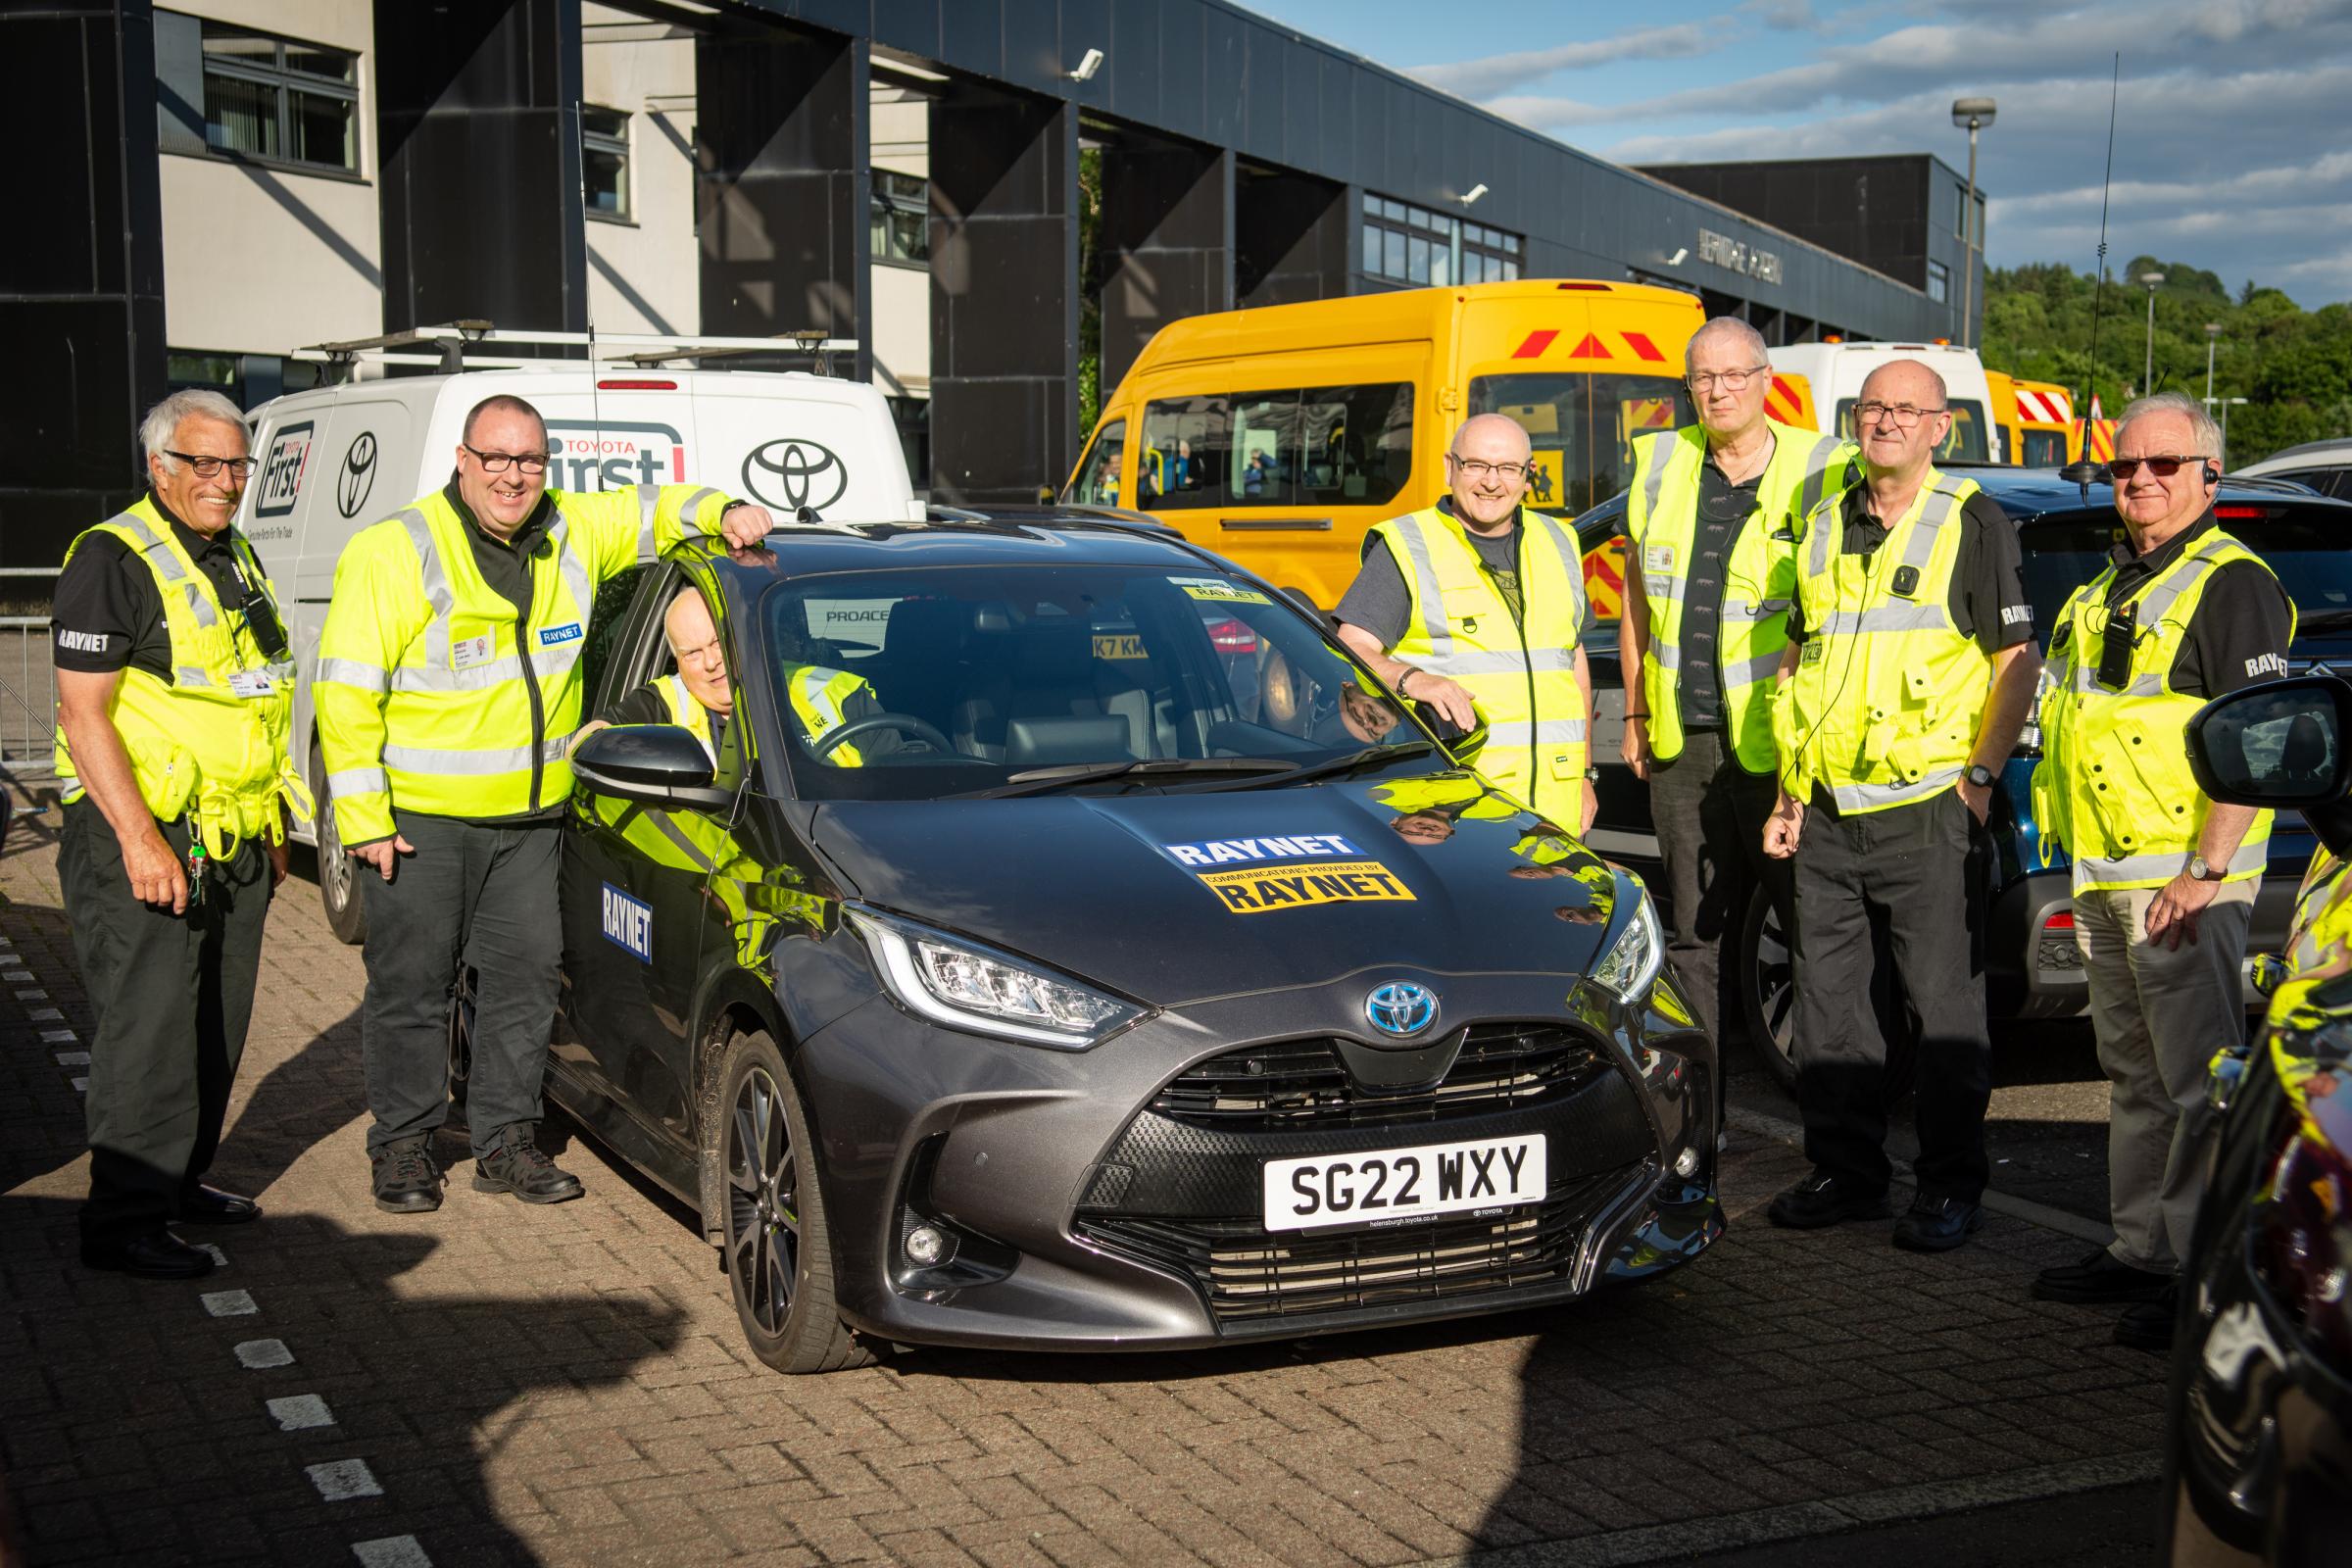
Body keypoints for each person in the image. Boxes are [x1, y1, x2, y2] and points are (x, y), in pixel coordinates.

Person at [315, 395, 770, 1216]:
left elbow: (661, 509)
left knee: (524, 985)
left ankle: (504, 1144)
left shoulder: (574, 529)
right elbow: (344, 695)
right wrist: (364, 821)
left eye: (529, 460)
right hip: (422, 822)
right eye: (497, 459)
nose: (514, 476)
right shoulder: (394, 549)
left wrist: (724, 509)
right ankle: (405, 1147)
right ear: (463, 461)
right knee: (413, 987)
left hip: (531, 825)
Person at [2027, 391, 2293, 1348]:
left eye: (2163, 465)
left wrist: (2205, 870)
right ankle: (2141, 1248)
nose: (2138, 480)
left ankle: (2206, 1271)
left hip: (2182, 883)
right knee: (2132, 1076)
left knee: (2197, 1086)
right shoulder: (2111, 586)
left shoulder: (2230, 583)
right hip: (2103, 875)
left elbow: (2259, 742)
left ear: (2208, 476)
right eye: (2124, 466)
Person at [1761, 360, 2041, 1251]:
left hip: (1927, 810)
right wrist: (1788, 793)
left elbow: (2015, 664)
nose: (1885, 421)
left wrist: (1980, 782)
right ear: (1855, 420)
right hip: (1826, 816)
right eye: (1873, 407)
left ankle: (1952, 1187)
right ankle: (1848, 1173)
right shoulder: (1818, 523)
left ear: (1939, 428)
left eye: (1905, 410)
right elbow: (1796, 666)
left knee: (1943, 1014)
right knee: (1831, 1010)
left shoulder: (1971, 520)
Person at [50, 390, 312, 1278]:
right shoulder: (112, 558)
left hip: (231, 836)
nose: (226, 481)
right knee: (150, 1028)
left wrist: (273, 825)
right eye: (205, 463)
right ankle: (123, 1221)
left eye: (237, 465)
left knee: (216, 1025)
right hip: (150, 832)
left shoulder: (234, 555)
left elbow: (256, 696)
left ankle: (179, 1182)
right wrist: (138, 839)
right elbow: (85, 719)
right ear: (159, 465)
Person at [1622, 317, 1853, 1046]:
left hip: (1784, 748)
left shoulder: (1824, 467)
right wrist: (1632, 711)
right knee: (1694, 941)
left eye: (1733, 376)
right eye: (1703, 378)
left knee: (1815, 933)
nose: (1718, 391)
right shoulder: (1661, 463)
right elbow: (1636, 596)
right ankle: (1706, 1124)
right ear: (1688, 388)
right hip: (1682, 744)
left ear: (1766, 383)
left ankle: (1833, 1122)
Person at [1336, 413, 1596, 832]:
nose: (1492, 482)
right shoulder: (1408, 546)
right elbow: (1349, 647)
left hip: (1555, 810)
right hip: (1453, 809)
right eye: (1475, 465)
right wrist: (1409, 679)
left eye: (1509, 468)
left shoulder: (1560, 542)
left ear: (1529, 475)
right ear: (1449, 468)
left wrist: (1585, 774)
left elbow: (1573, 663)